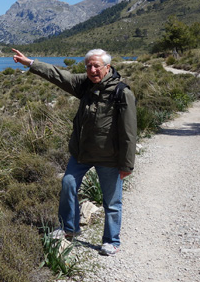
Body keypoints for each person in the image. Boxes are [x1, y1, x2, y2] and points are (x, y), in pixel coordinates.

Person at [12, 48, 137, 256]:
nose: (93, 69)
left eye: (97, 65)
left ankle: (111, 240)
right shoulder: (84, 85)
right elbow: (59, 75)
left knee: (112, 202)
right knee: (68, 183)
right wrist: (30, 63)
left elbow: (129, 133)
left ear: (108, 67)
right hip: (81, 154)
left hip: (109, 158)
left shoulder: (122, 93)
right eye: (89, 66)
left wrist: (126, 164)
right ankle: (69, 228)